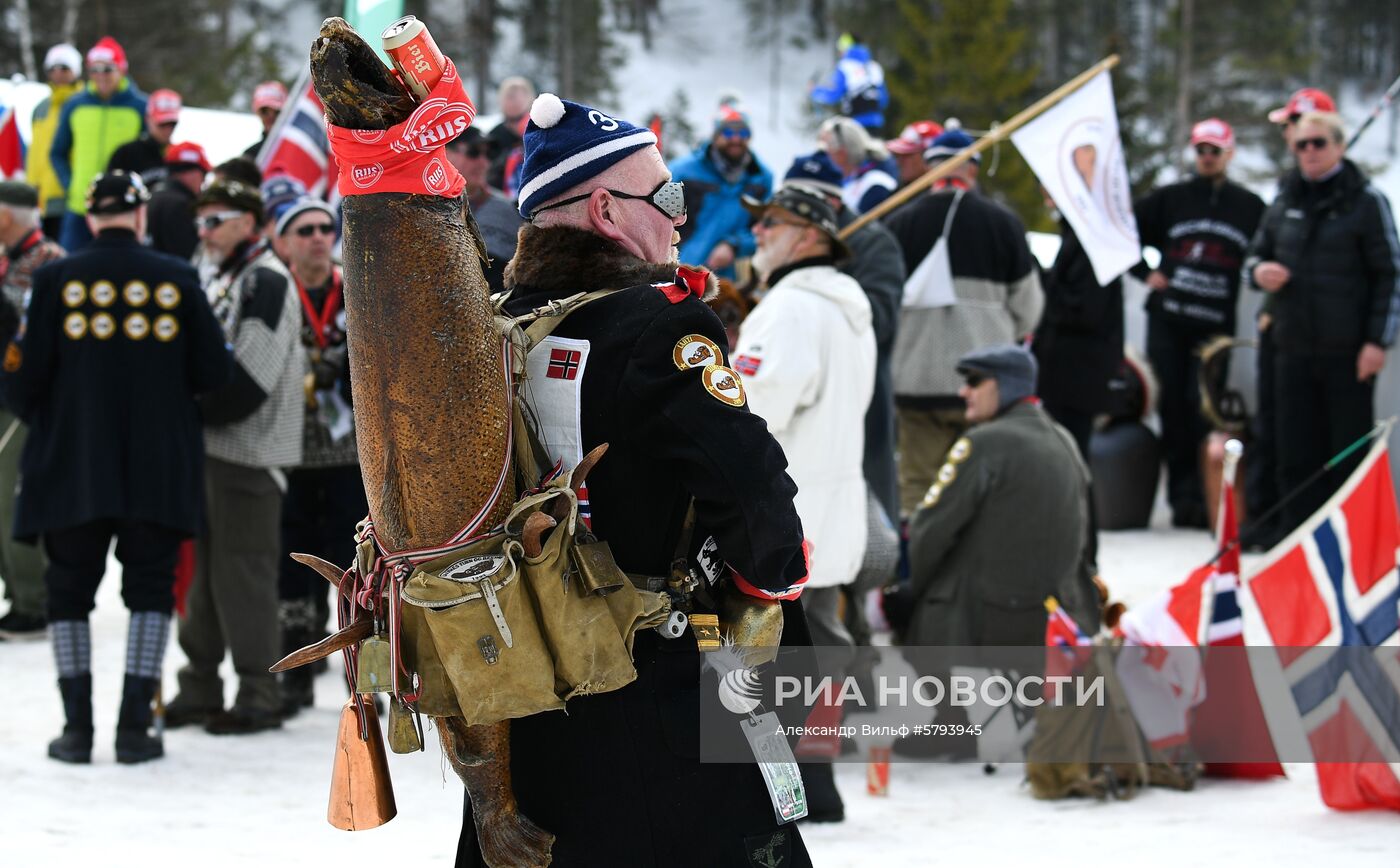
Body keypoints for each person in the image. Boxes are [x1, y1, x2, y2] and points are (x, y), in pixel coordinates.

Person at [456, 92, 813, 867]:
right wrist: (768, 589)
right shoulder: (660, 325)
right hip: (658, 691)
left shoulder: (491, 328)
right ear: (607, 210)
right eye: (670, 197)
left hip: (519, 693)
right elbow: (755, 499)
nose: (682, 217)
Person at [0, 171, 232, 763]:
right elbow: (213, 372)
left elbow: (22, 384)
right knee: (150, 592)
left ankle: (77, 730)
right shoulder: (177, 277)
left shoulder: (54, 278)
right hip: (157, 468)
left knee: (68, 593)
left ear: (90, 214)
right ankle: (133, 729)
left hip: (72, 465)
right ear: (140, 215)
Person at [735, 185, 875, 824]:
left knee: (772, 653)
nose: (759, 232)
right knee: (820, 639)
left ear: (810, 237)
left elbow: (750, 414)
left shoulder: (791, 310)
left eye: (773, 222)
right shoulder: (849, 305)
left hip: (791, 510)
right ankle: (815, 781)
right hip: (832, 503)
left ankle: (791, 785)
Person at [899, 346, 1098, 757]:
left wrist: (907, 588)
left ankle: (952, 723)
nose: (963, 392)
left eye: (974, 382)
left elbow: (931, 530)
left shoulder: (984, 442)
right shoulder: (1064, 438)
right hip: (1057, 616)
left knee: (919, 600)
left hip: (996, 618)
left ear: (1005, 388)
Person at [167, 180, 304, 735]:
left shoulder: (265, 281)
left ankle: (258, 690)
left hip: (249, 454)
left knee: (242, 575)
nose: (204, 232)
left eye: (214, 220)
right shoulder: (224, 273)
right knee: (202, 575)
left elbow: (249, 380)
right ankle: (200, 684)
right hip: (211, 449)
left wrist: (180, 410)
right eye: (200, 222)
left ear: (249, 221)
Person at [1245, 111, 1400, 534]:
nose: (1310, 152)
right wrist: (1259, 272)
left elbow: (1390, 274)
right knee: (1293, 458)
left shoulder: (1367, 202)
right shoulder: (1284, 198)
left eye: (1319, 143)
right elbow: (1254, 258)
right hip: (1291, 350)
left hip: (1347, 354)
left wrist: (1377, 342)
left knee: (1348, 458)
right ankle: (1295, 550)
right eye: (1302, 145)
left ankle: (1351, 551)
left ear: (1339, 146)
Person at [886, 127, 1044, 516]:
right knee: (982, 488)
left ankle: (915, 569)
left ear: (929, 166)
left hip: (914, 381)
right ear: (972, 169)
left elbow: (881, 307)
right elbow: (1029, 309)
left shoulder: (899, 223)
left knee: (918, 487)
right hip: (985, 385)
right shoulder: (1004, 224)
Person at [1132, 119, 1265, 528]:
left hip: (1214, 328)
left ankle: (1209, 501)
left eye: (1215, 151)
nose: (1207, 158)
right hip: (1170, 321)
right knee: (1172, 407)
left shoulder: (1249, 206)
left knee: (1204, 409)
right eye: (1201, 151)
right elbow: (1122, 232)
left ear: (1229, 154)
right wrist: (1144, 272)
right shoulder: (1171, 198)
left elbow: (1270, 251)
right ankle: (1180, 500)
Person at [271, 196, 365, 717]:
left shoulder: (350, 284)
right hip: (286, 447)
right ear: (284, 240)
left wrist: (341, 362)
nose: (316, 236)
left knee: (343, 555)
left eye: (325, 227)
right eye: (303, 229)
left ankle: (356, 661)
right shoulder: (275, 287)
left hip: (346, 449)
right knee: (292, 555)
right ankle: (297, 667)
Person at [1247, 87, 1336, 547]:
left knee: (1320, 442)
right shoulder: (1287, 190)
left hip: (1329, 341)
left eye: (1299, 130)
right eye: (1292, 135)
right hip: (1281, 332)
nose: (1293, 140)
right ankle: (1272, 522)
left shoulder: (1349, 194)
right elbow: (1260, 255)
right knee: (1275, 433)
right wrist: (1261, 276)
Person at [0, 182, 64, 640]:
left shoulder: (50, 261)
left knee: (10, 500)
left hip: (29, 402)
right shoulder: (12, 261)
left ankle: (32, 599)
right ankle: (18, 591)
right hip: (8, 393)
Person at [1033, 207, 1123, 460]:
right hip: (1063, 374)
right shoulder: (1076, 234)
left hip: (1076, 377)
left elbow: (1084, 310)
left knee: (1070, 457)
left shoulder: (1091, 240)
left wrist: (1041, 280)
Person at [50, 37, 147, 253]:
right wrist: (70, 185)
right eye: (94, 70)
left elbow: (150, 153)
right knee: (70, 268)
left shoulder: (139, 106)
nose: (100, 76)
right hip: (80, 206)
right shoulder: (75, 105)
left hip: (123, 207)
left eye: (107, 69)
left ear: (121, 69)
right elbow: (57, 152)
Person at [669, 101, 773, 280]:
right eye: (728, 132)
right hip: (681, 273)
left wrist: (734, 245)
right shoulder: (682, 171)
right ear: (715, 135)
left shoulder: (761, 178)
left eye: (743, 132)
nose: (736, 138)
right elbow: (661, 220)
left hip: (733, 282)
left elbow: (768, 229)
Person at [445, 126, 521, 294]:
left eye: (488, 155)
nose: (484, 162)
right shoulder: (423, 208)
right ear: (444, 152)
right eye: (473, 152)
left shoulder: (505, 209)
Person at [27, 44, 84, 241]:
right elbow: (35, 152)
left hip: (70, 193)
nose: (58, 73)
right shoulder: (41, 108)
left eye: (64, 68)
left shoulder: (82, 104)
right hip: (41, 197)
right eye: (53, 68)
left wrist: (72, 184)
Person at [809, 32, 889, 133]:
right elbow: (884, 100)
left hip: (855, 124)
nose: (840, 53)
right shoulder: (874, 67)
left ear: (846, 49)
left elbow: (833, 94)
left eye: (841, 49)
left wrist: (815, 91)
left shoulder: (845, 67)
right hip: (877, 123)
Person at [818, 116, 897, 215]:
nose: (824, 157)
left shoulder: (876, 183)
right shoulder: (851, 177)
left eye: (828, 151)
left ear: (842, 152)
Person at [147, 142, 210, 260]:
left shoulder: (152, 195)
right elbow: (189, 255)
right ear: (190, 172)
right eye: (204, 174)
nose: (203, 182)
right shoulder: (181, 205)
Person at [106, 88, 182, 187]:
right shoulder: (127, 154)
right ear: (148, 119)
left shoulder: (180, 156)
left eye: (172, 124)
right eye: (162, 124)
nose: (167, 130)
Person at [486, 75, 535, 193]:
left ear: (529, 99)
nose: (513, 102)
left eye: (518, 97)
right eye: (509, 97)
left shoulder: (537, 130)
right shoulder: (494, 135)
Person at [886, 119, 943, 188]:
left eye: (907, 155)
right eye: (898, 156)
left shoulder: (947, 195)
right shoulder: (898, 190)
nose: (899, 162)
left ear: (928, 157)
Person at [243, 81, 288, 160]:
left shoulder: (298, 148)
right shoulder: (250, 156)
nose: (271, 116)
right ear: (258, 113)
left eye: (277, 111)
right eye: (264, 111)